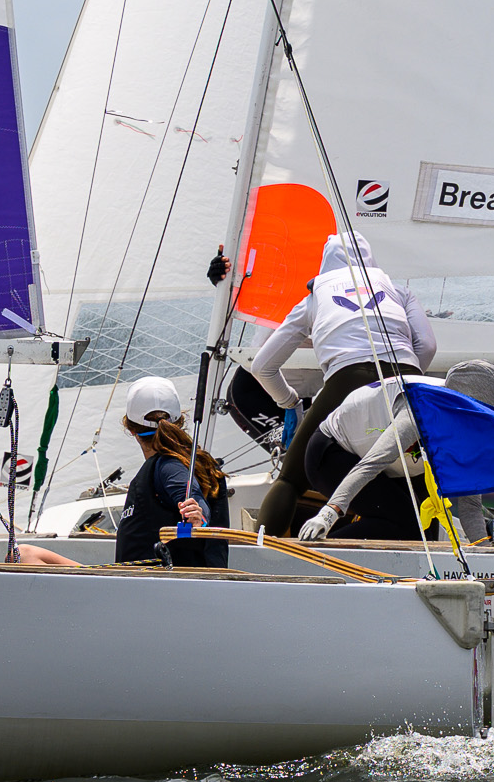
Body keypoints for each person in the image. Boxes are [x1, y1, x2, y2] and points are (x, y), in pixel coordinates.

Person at [251, 231, 437, 536]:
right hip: (407, 382)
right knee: (420, 480)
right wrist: (398, 380)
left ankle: (259, 557)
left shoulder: (315, 297)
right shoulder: (398, 291)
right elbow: (427, 348)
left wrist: (291, 404)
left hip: (345, 381)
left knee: (290, 480)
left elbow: (262, 366)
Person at [297, 360, 494, 542]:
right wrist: (329, 514)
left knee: (425, 532)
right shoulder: (417, 410)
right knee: (404, 525)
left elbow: (470, 504)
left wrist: (484, 551)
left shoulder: (467, 429)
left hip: (398, 467)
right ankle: (316, 554)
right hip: (333, 454)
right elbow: (372, 463)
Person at [114, 376, 230, 570]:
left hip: (151, 592)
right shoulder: (192, 462)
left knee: (42, 557)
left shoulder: (168, 465)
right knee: (42, 556)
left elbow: (190, 493)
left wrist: (199, 517)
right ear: (180, 422)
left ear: (131, 430)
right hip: (189, 586)